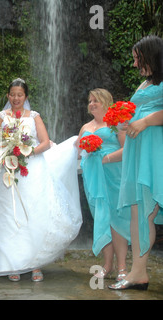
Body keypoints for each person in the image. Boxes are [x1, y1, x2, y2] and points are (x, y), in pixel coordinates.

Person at [0, 78, 82, 282]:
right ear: (8, 96)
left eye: (20, 95)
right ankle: (12, 263)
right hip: (8, 169)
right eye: (12, 94)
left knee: (34, 213)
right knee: (9, 215)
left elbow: (45, 142)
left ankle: (35, 263)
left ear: (25, 97)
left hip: (33, 170)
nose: (16, 98)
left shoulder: (34, 116)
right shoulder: (0, 117)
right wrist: (7, 151)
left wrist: (26, 153)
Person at [109, 35, 163, 290]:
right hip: (137, 151)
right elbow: (134, 111)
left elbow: (149, 116)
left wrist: (144, 121)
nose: (134, 64)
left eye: (136, 58)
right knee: (137, 212)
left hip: (153, 151)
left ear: (150, 55)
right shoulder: (145, 83)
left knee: (144, 212)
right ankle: (137, 271)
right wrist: (126, 122)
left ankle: (138, 272)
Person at [77, 89, 129, 281]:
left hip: (113, 176)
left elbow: (127, 150)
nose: (91, 104)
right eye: (90, 101)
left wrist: (105, 158)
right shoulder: (85, 127)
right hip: (92, 179)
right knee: (101, 219)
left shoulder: (116, 123)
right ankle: (108, 266)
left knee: (116, 220)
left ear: (106, 102)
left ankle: (122, 267)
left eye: (96, 101)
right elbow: (73, 152)